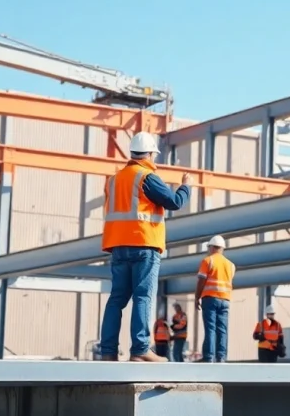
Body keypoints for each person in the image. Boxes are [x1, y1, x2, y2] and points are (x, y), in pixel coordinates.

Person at [99, 131, 191, 362]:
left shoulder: (114, 179)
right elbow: (174, 202)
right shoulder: (146, 177)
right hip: (143, 243)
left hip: (118, 246)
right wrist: (186, 187)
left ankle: (108, 352)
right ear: (150, 154)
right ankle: (140, 350)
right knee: (143, 296)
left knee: (116, 299)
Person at [195, 235, 235, 363]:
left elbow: (201, 280)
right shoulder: (231, 265)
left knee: (210, 328)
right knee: (222, 329)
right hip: (225, 300)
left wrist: (197, 297)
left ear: (211, 247)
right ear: (222, 249)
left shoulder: (208, 261)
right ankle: (221, 357)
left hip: (210, 298)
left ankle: (208, 357)